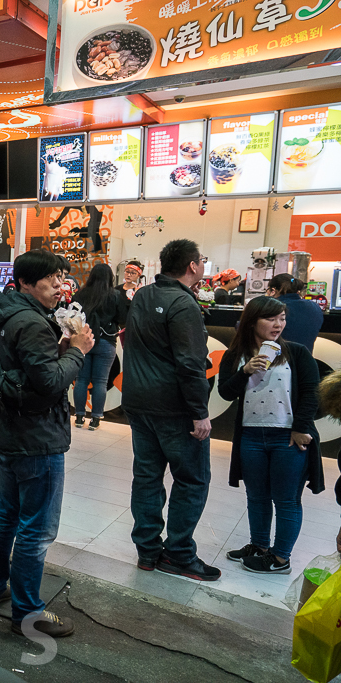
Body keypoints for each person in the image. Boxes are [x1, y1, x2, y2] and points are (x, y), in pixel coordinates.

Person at [0, 249, 92, 639]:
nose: (60, 287)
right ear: (26, 282)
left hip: (13, 431)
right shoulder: (32, 322)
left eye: (62, 279)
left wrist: (61, 351)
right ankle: (27, 611)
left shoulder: (8, 313)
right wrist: (77, 351)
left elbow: (32, 371)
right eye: (52, 280)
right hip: (37, 437)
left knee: (8, 513)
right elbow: (48, 382)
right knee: (36, 529)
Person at [122, 239, 219, 581]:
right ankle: (178, 553)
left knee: (147, 478)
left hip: (137, 402)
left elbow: (128, 340)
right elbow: (190, 364)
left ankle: (147, 552)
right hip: (175, 408)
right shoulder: (183, 303)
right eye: (202, 261)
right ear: (193, 265)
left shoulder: (143, 295)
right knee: (192, 480)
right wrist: (199, 411)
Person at [217, 296, 323, 575]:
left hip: (287, 438)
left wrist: (301, 427)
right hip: (251, 437)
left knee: (286, 499)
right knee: (257, 496)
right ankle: (261, 547)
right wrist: (245, 371)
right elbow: (225, 392)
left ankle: (280, 558)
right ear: (253, 321)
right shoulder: (236, 354)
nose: (279, 324)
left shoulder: (297, 353)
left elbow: (313, 392)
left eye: (282, 318)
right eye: (271, 319)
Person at [72, 263, 126, 430]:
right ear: (110, 277)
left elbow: (72, 315)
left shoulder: (81, 294)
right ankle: (95, 419)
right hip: (106, 341)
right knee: (100, 382)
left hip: (84, 339)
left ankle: (79, 416)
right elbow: (123, 318)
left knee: (81, 380)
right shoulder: (116, 295)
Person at [267, 274, 323, 353]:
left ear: (273, 291)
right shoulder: (314, 306)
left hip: (277, 360)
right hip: (306, 360)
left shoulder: (273, 307)